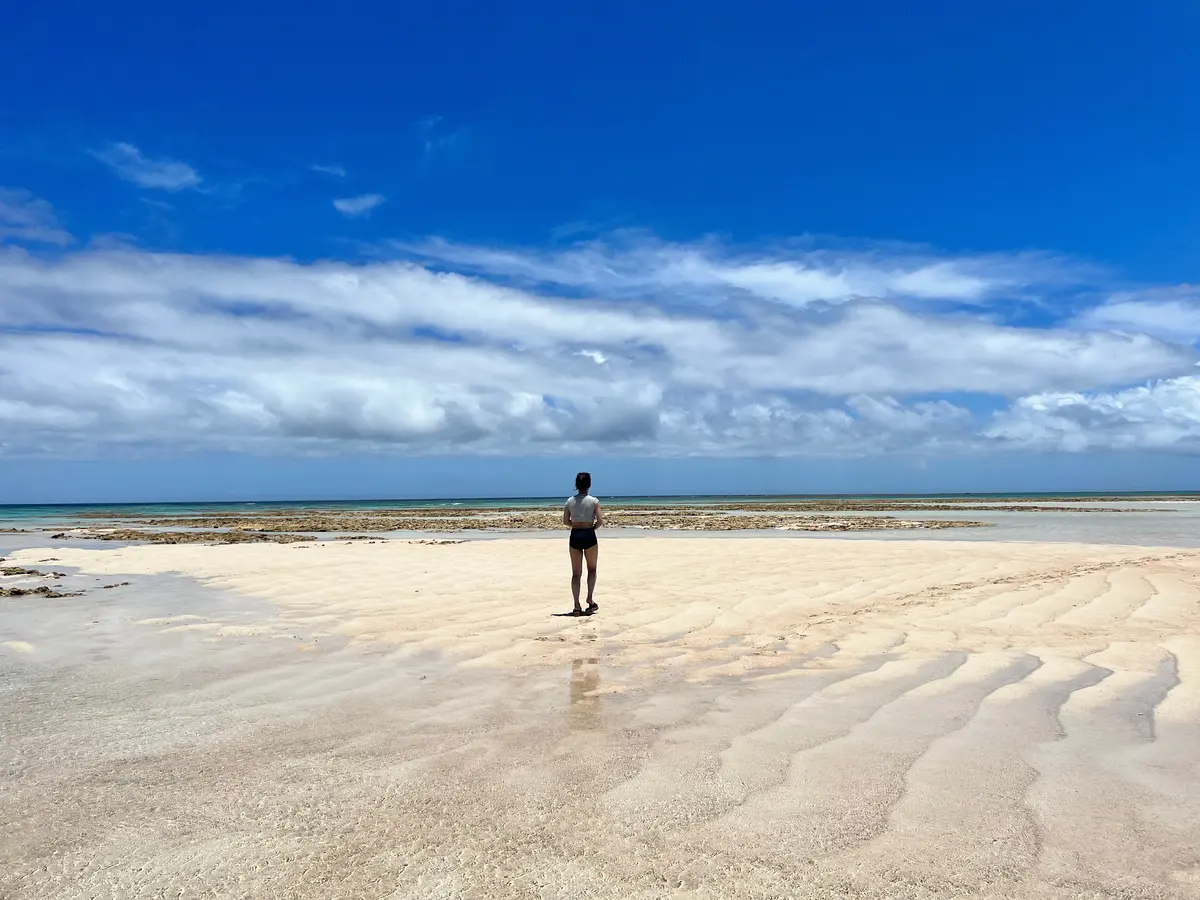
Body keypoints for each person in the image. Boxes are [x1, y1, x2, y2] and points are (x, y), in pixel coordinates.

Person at [563, 472, 603, 615]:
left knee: (576, 573)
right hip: (589, 534)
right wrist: (592, 528)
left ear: (576, 485)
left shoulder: (570, 501)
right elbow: (599, 520)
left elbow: (565, 521)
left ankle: (576, 606)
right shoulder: (593, 501)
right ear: (589, 484)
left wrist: (575, 525)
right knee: (592, 569)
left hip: (575, 534)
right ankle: (590, 599)